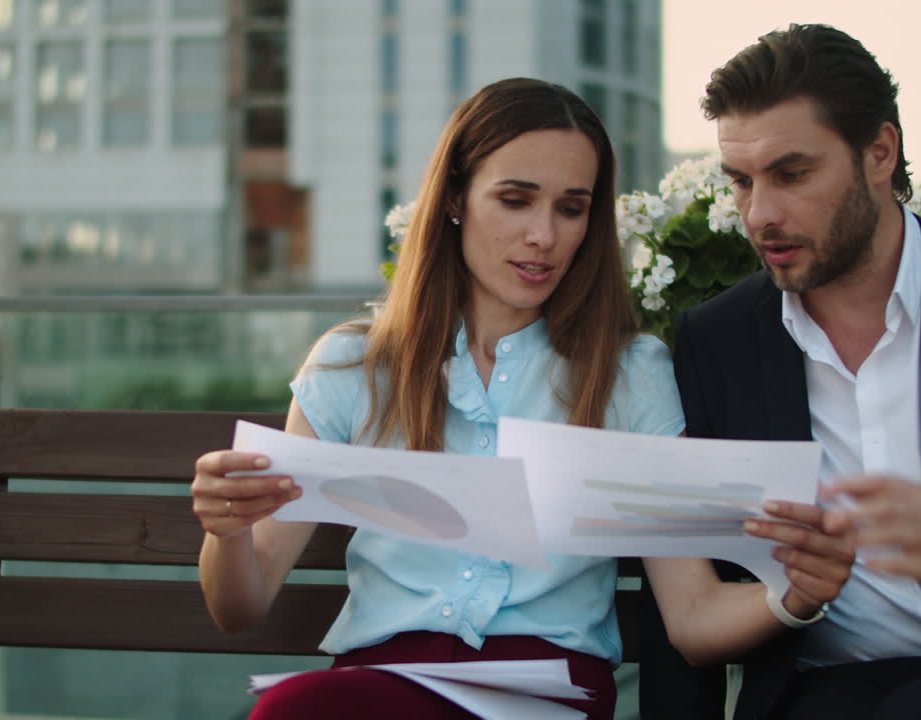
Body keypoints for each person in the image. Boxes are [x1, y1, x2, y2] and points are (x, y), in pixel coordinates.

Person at [191, 77, 852, 720]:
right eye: (515, 200)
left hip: (547, 698)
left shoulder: (629, 373)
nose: (545, 236)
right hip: (378, 686)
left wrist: (792, 597)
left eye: (571, 208)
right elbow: (239, 605)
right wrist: (230, 533)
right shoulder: (353, 366)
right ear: (455, 197)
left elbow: (693, 615)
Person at [638, 23, 921, 720]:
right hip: (823, 693)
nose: (760, 214)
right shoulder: (715, 340)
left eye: (791, 174)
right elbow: (694, 581)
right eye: (742, 181)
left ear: (879, 152)